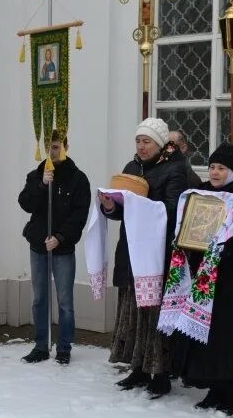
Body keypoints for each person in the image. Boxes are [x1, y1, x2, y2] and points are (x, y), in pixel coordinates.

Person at [175, 143, 233, 415]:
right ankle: (213, 388)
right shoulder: (203, 195)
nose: (214, 172)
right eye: (212, 166)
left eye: (221, 167)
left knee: (229, 336)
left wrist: (224, 245)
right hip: (207, 276)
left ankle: (230, 394)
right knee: (209, 334)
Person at [104, 118, 188, 397]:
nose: (141, 146)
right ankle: (138, 368)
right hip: (131, 250)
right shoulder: (131, 168)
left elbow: (173, 209)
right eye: (138, 140)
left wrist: (138, 204)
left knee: (155, 314)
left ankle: (161, 374)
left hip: (156, 253)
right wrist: (109, 206)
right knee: (133, 312)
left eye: (147, 141)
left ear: (160, 143)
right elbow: (121, 211)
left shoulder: (175, 169)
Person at [18, 130, 91, 364]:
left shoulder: (78, 179)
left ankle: (64, 346)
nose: (52, 151)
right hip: (38, 245)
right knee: (39, 298)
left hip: (62, 248)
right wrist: (41, 184)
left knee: (64, 301)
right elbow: (26, 203)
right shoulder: (37, 175)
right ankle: (41, 345)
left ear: (66, 147)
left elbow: (79, 215)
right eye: (49, 146)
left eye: (57, 146)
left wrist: (60, 237)